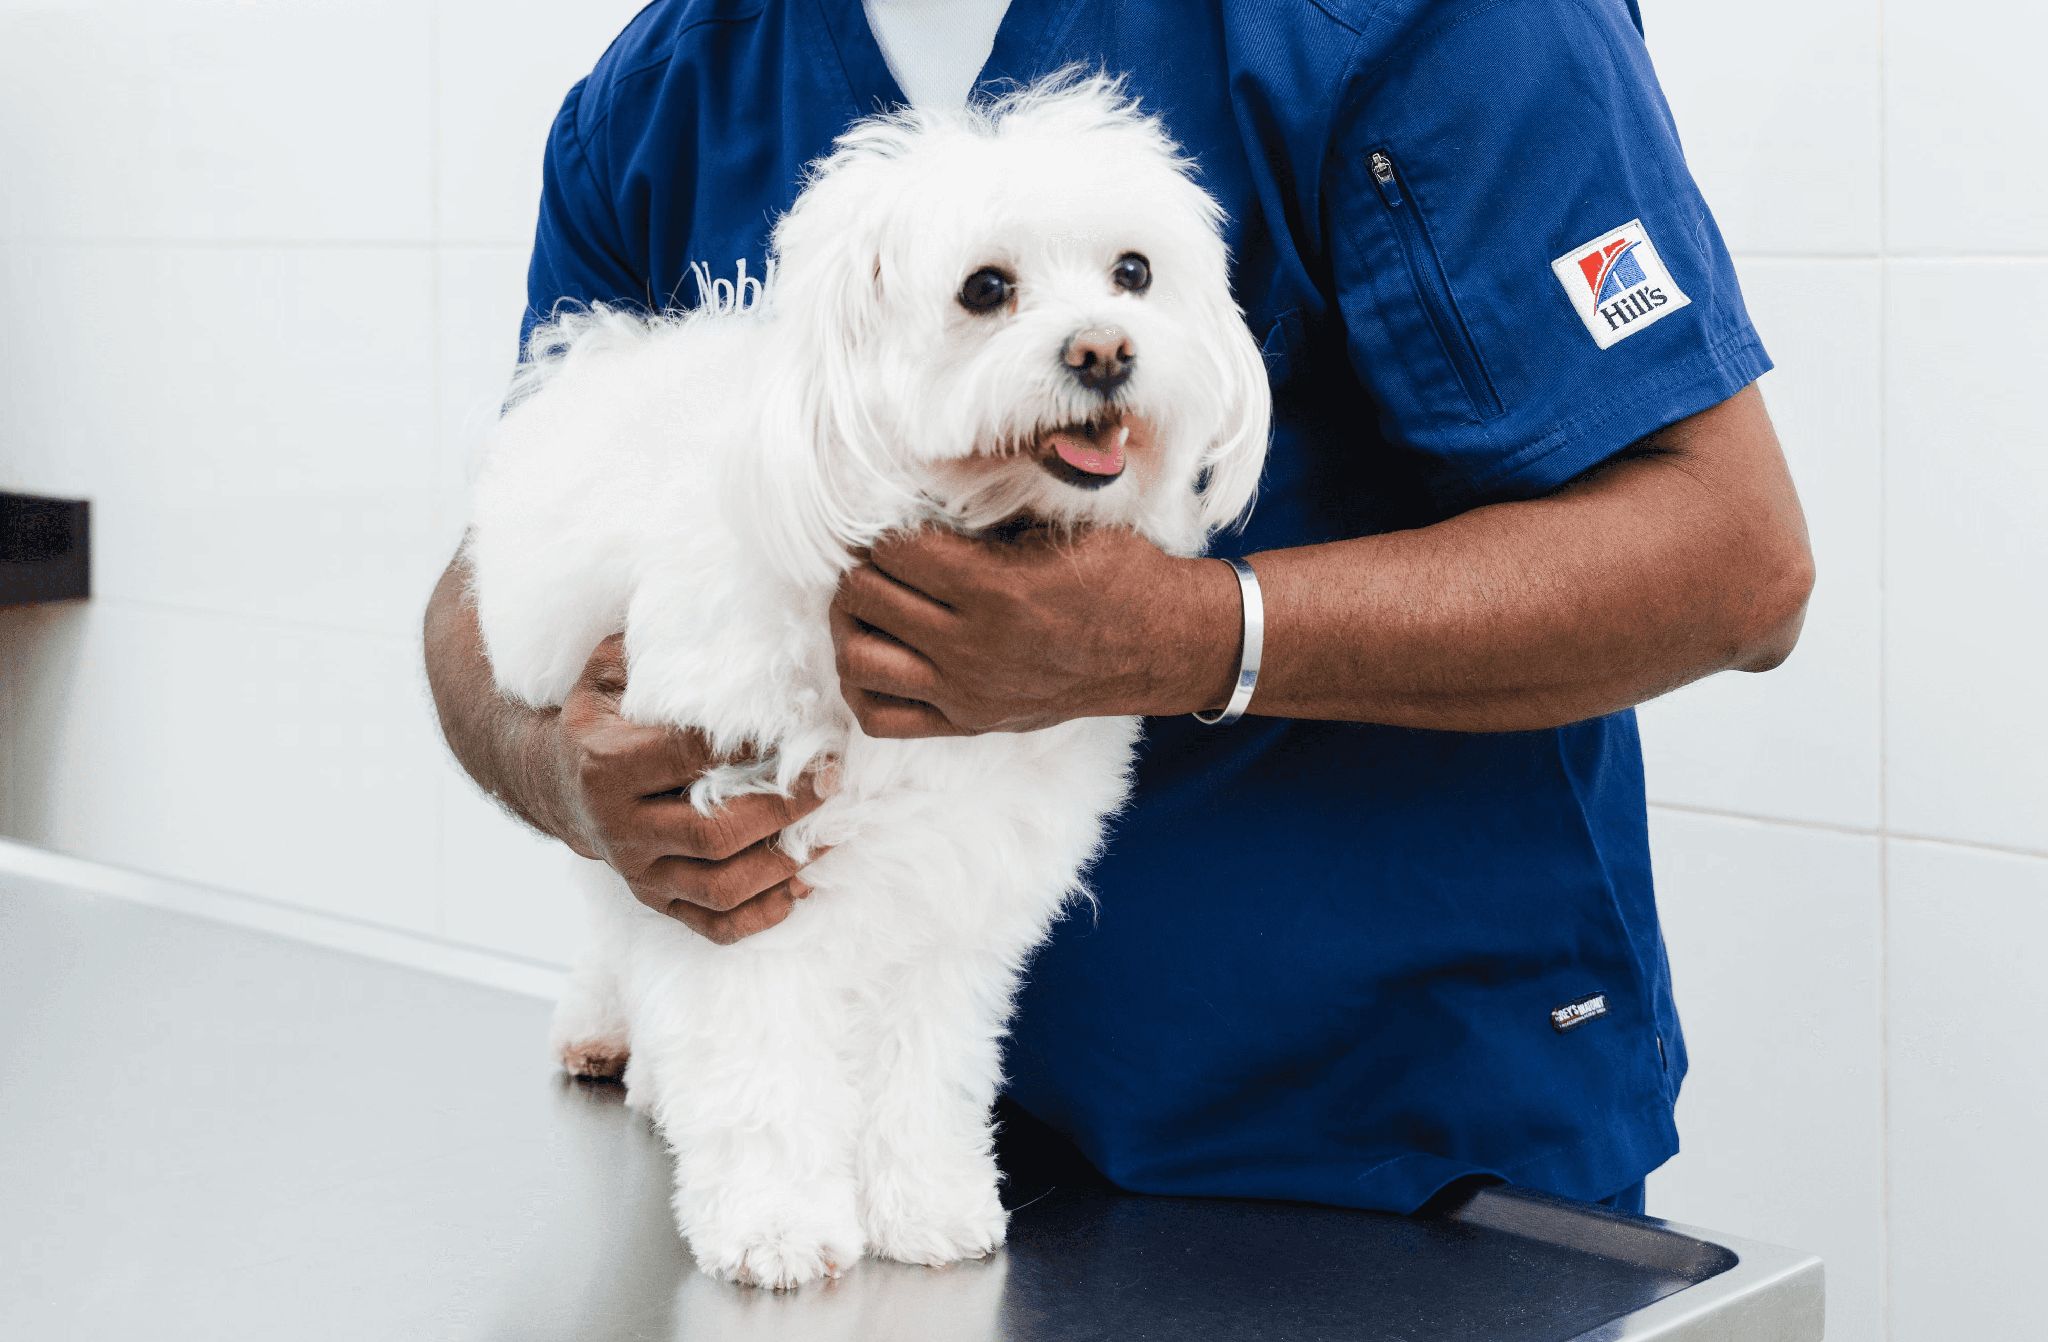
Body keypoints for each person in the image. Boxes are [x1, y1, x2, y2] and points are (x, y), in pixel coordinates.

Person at [424, 0, 1813, 1220]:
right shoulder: (663, 92)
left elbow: (1734, 558)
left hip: (1385, 1168)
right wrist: (561, 770)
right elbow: (503, 547)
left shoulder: (1427, 22)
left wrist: (1197, 635)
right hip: (884, 1172)